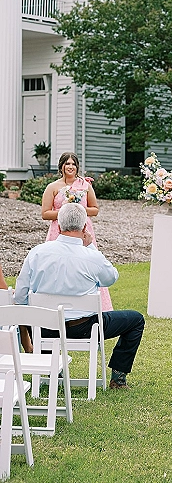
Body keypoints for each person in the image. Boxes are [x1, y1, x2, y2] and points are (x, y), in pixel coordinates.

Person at [14, 203, 145, 389]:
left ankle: (54, 372)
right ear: (85, 227)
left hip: (44, 329)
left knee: (29, 315)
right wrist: (91, 246)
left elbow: (19, 297)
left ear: (58, 226)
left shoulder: (37, 253)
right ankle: (118, 378)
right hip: (85, 328)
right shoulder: (91, 256)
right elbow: (111, 278)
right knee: (136, 320)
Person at [41, 152, 113, 311]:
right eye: (67, 164)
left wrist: (78, 209)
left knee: (86, 263)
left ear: (77, 167)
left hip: (83, 229)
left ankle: (94, 304)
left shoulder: (85, 186)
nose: (70, 167)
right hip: (59, 230)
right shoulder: (53, 187)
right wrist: (65, 210)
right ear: (61, 167)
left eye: (73, 164)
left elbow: (95, 210)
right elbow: (45, 213)